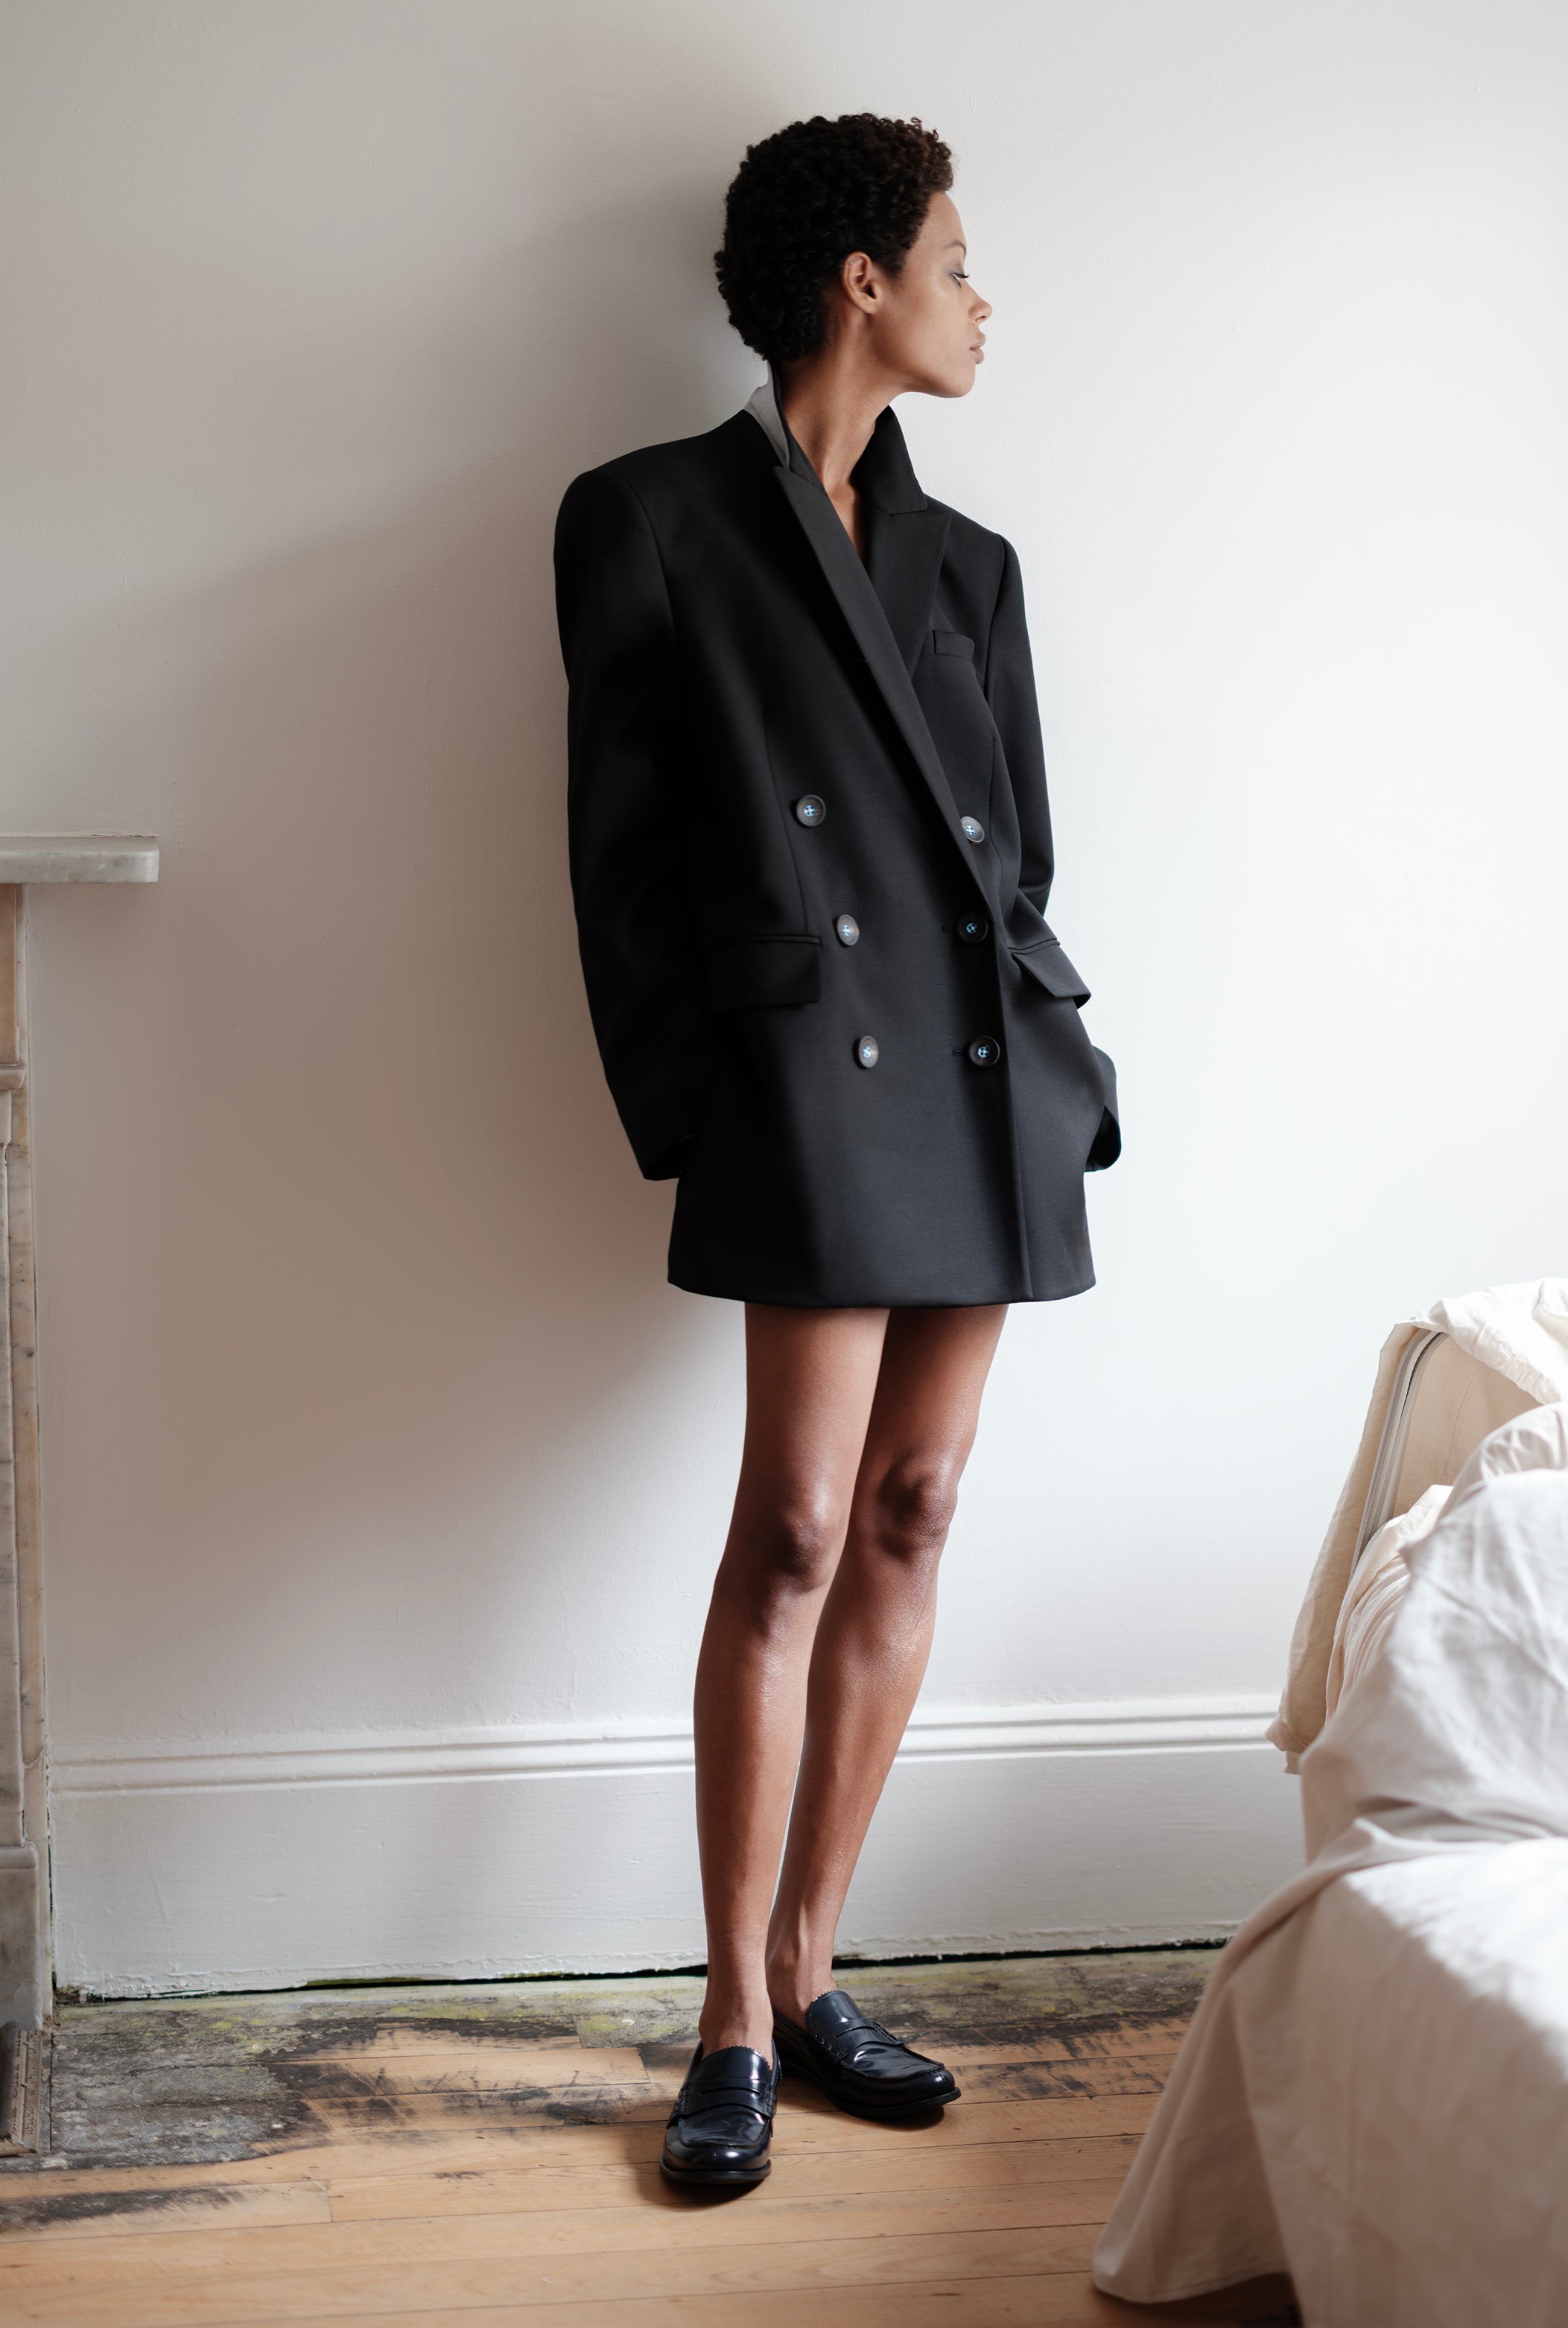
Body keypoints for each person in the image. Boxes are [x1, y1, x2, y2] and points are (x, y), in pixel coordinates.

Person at [555, 112, 1119, 2189]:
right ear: (859, 280)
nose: (982, 303)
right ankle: (721, 2012)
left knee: (911, 1504)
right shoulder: (644, 522)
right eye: (956, 262)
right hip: (808, 1088)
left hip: (979, 1077)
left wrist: (1063, 1055)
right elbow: (615, 870)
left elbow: (1018, 853)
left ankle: (807, 1968)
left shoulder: (974, 569)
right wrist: (694, 1106)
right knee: (789, 1531)